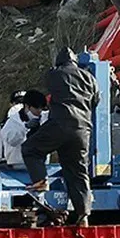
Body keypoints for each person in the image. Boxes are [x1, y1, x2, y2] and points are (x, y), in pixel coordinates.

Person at [22, 47, 100, 227]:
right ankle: (83, 215)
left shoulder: (55, 74)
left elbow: (48, 81)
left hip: (60, 124)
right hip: (82, 130)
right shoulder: (89, 78)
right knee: (77, 172)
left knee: (30, 149)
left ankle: (40, 181)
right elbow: (96, 101)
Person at [1, 90, 48, 168]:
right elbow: (12, 141)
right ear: (27, 106)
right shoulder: (12, 121)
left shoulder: (45, 117)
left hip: (41, 167)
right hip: (18, 168)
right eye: (36, 108)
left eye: (42, 108)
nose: (39, 110)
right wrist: (25, 127)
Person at [0, 90, 26, 165]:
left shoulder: (39, 124)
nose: (20, 105)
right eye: (17, 102)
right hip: (8, 172)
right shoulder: (0, 128)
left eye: (23, 103)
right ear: (11, 104)